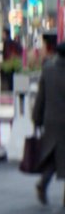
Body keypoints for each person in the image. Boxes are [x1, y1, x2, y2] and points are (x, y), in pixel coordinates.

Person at [32, 43, 65, 206]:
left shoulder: (48, 70)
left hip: (50, 121)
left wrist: (36, 118)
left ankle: (43, 183)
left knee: (53, 156)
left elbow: (40, 97)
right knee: (59, 157)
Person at [0, 27, 23, 91]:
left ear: (5, 33)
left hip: (9, 67)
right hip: (12, 66)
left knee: (9, 84)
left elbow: (7, 55)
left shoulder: (7, 42)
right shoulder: (11, 41)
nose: (1, 35)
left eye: (2, 33)